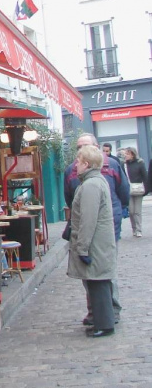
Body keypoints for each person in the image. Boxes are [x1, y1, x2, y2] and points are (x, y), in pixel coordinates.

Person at [64, 132, 129, 324]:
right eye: (78, 148)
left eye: (85, 147)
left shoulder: (108, 169)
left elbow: (123, 193)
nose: (79, 155)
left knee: (102, 272)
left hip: (102, 229)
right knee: (92, 275)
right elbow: (70, 198)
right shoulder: (72, 171)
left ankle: (109, 312)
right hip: (95, 227)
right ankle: (98, 313)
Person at [67, 145, 116, 338]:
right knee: (97, 282)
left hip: (96, 245)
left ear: (86, 164)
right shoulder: (94, 182)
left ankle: (104, 324)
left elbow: (88, 220)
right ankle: (101, 320)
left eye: (78, 161)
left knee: (98, 283)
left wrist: (83, 248)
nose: (76, 165)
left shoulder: (91, 185)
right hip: (99, 244)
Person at [123, 147, 148, 237]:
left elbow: (145, 176)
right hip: (128, 190)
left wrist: (146, 189)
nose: (125, 155)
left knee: (137, 211)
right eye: (125, 153)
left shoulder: (140, 163)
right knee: (131, 211)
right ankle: (134, 228)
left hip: (138, 190)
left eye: (127, 154)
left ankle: (138, 229)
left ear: (132, 154)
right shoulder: (124, 165)